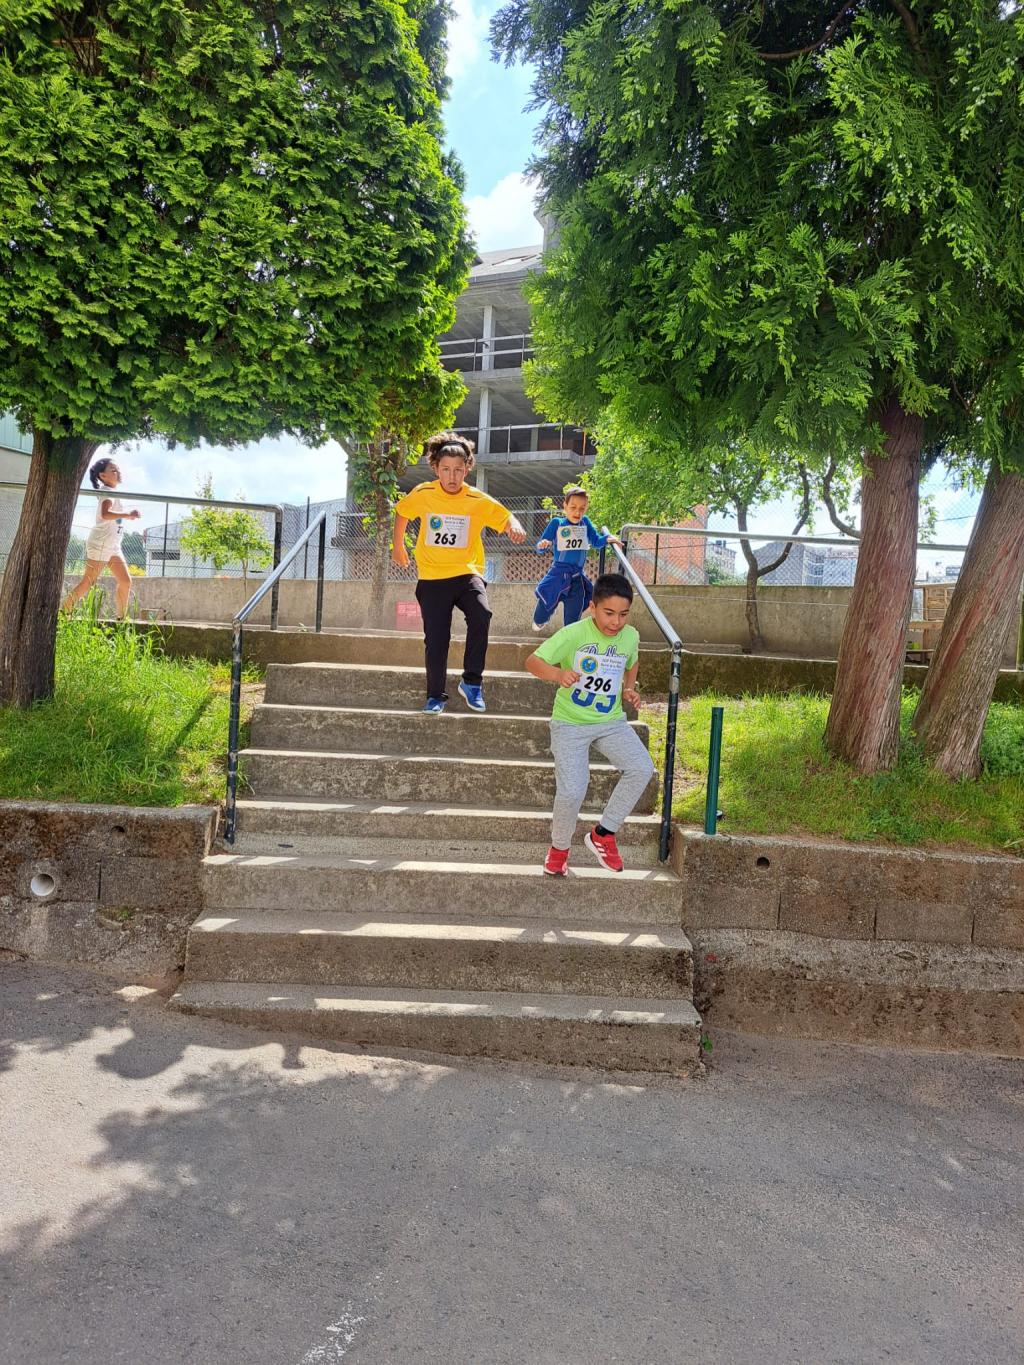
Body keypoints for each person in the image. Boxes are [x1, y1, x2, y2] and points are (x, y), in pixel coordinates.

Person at [525, 571, 655, 875]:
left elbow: (632, 660)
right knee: (573, 790)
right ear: (592, 608)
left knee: (641, 768)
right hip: (570, 723)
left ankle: (603, 835)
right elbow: (532, 662)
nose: (616, 621)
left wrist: (629, 688)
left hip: (610, 722)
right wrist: (558, 674)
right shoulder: (574, 634)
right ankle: (559, 849)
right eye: (608, 613)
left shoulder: (630, 636)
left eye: (623, 614)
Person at [391, 432, 525, 714]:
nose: (452, 477)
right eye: (446, 470)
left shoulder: (476, 498)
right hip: (432, 577)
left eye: (458, 470)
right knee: (436, 639)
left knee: (481, 615)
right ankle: (435, 696)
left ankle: (472, 682)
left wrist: (514, 525)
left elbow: (504, 515)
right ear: (435, 469)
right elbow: (402, 512)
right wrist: (398, 546)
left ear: (467, 469)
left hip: (467, 573)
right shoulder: (424, 493)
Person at [532, 486, 620, 632]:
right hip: (558, 574)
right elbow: (540, 547)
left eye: (582, 508)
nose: (577, 512)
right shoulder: (557, 523)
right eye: (573, 507)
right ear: (565, 506)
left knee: (573, 620)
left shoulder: (585, 522)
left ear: (586, 508)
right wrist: (543, 544)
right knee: (544, 606)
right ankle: (541, 618)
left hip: (577, 577)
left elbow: (596, 541)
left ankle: (570, 640)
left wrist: (608, 538)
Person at [62, 457, 141, 619]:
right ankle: (62, 614)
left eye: (118, 469)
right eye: (113, 470)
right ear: (102, 476)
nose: (118, 472)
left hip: (113, 546)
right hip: (101, 544)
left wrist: (126, 515)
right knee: (88, 581)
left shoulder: (112, 492)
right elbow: (105, 514)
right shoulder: (108, 492)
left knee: (125, 581)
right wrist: (127, 514)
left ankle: (121, 620)